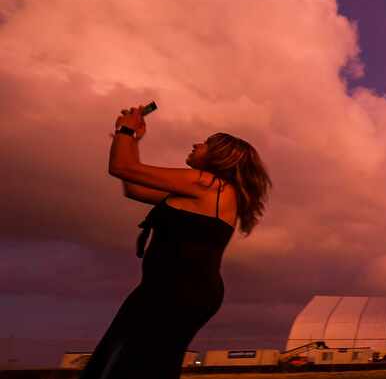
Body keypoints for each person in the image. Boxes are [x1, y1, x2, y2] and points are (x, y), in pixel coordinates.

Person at [79, 104, 272, 379]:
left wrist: (126, 129)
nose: (196, 144)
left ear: (220, 156)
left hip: (177, 291)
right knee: (131, 362)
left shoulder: (208, 184)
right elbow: (132, 186)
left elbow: (122, 167)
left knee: (132, 366)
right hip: (168, 290)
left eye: (205, 143)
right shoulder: (202, 191)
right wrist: (131, 140)